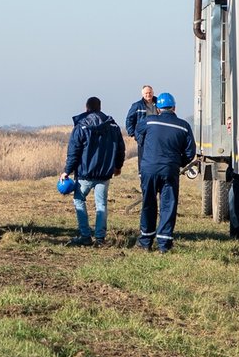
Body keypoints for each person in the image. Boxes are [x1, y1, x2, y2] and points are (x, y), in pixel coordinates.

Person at [134, 91, 196, 252]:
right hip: (170, 170)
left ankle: (145, 241)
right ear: (174, 107)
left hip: (149, 169)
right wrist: (177, 163)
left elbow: (137, 135)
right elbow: (190, 152)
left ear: (158, 108)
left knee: (148, 203)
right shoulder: (183, 126)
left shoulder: (148, 122)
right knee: (168, 205)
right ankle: (164, 244)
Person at [63, 96, 125, 246]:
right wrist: (118, 166)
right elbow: (121, 148)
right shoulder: (113, 126)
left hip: (85, 173)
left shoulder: (81, 126)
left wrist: (67, 171)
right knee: (101, 204)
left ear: (86, 108)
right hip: (104, 173)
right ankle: (100, 238)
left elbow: (74, 152)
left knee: (79, 200)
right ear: (100, 107)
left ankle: (85, 235)